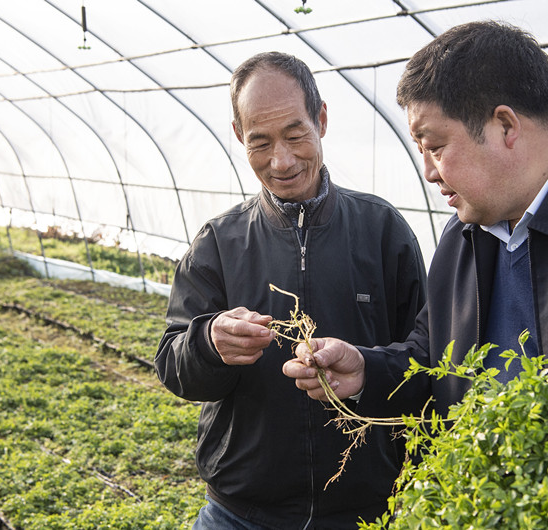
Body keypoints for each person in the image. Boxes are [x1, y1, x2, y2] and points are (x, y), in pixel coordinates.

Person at [284, 19, 548, 479]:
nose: (428, 172)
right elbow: (433, 352)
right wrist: (366, 371)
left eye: (435, 146)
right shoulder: (466, 234)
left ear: (504, 125)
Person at [155, 51, 427, 529]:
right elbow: (173, 363)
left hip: (362, 514)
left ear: (320, 119)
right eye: (259, 142)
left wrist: (367, 371)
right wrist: (209, 343)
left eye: (295, 134)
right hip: (239, 514)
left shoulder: (382, 231)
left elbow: (427, 360)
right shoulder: (219, 242)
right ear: (239, 135)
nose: (281, 161)